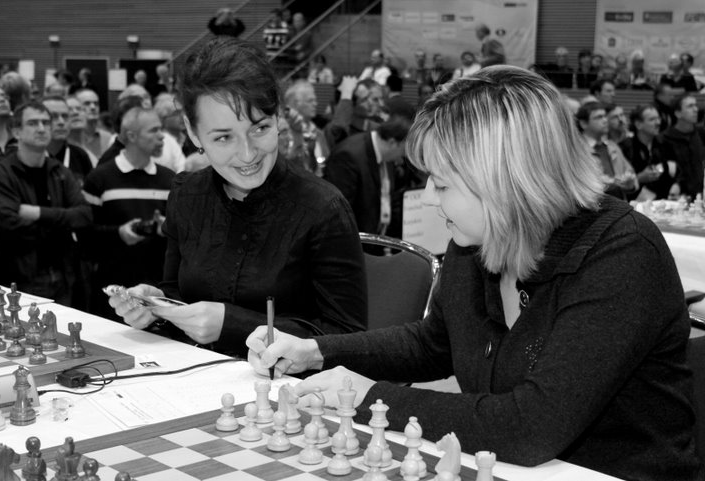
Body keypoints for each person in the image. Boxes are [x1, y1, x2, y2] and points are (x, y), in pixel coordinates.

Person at [247, 66, 702, 481]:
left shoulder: (622, 253)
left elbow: (529, 427)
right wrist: (316, 351)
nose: (429, 198)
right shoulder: (477, 238)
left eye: (442, 183)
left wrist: (368, 397)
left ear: (507, 182)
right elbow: (433, 343)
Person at [108, 38, 367, 357]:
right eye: (223, 138)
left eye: (260, 129)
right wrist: (158, 308)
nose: (247, 154)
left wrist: (231, 325)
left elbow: (348, 339)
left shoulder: (323, 209)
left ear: (278, 117)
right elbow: (178, 292)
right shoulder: (186, 194)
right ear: (193, 132)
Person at [0, 101, 92, 304]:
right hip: (20, 277)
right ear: (16, 132)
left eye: (45, 123)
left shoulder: (59, 171)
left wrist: (37, 213)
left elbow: (84, 216)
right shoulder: (1, 174)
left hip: (64, 275)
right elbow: (7, 225)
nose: (42, 128)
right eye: (33, 123)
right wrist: (61, 225)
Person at [83, 107, 173, 320]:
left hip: (156, 289)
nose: (162, 136)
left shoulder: (170, 179)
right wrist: (119, 233)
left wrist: (167, 228)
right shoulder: (100, 178)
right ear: (131, 136)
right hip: (111, 290)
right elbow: (85, 235)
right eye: (153, 130)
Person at [619, 104, 674, 201]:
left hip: (663, 201)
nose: (658, 123)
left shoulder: (664, 144)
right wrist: (639, 178)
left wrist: (677, 184)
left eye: (658, 118)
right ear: (638, 124)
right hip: (634, 203)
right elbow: (619, 180)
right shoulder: (625, 147)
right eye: (652, 119)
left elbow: (678, 170)